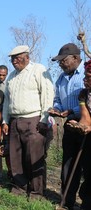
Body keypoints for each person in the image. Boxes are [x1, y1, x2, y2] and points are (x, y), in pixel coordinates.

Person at [2, 45, 54, 199]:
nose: (14, 62)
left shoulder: (38, 70)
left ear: (27, 57)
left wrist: (44, 119)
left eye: (17, 58)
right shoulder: (11, 76)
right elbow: (7, 101)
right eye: (12, 59)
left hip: (34, 119)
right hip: (15, 121)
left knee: (34, 157)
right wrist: (5, 120)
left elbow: (47, 94)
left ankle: (36, 191)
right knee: (15, 156)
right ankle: (20, 186)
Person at [49, 43, 85, 209]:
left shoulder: (86, 73)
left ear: (76, 58)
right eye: (59, 61)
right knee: (69, 165)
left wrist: (73, 110)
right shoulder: (61, 79)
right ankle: (66, 201)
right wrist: (57, 109)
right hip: (70, 126)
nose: (60, 64)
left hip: (86, 127)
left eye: (63, 60)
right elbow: (57, 99)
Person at [66, 60, 91, 210]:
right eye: (85, 77)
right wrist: (80, 125)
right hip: (89, 138)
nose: (85, 80)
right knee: (88, 170)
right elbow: (85, 118)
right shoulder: (84, 95)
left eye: (89, 77)